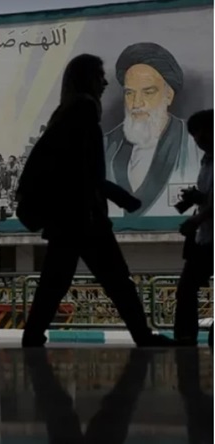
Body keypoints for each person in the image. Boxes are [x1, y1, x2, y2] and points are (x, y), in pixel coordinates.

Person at [16, 54, 174, 348]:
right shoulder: (84, 109)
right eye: (99, 76)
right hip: (82, 215)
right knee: (116, 280)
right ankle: (142, 336)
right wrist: (118, 196)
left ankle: (33, 334)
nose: (104, 83)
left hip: (67, 216)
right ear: (86, 78)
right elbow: (84, 170)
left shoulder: (65, 111)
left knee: (56, 281)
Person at [104, 43, 201, 217]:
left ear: (168, 95)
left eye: (148, 92)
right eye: (129, 93)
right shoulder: (104, 146)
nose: (136, 103)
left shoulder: (197, 144)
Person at [173, 109, 213, 346]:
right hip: (205, 239)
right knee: (186, 289)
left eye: (202, 132)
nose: (198, 139)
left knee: (187, 288)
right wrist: (197, 197)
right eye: (195, 134)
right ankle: (185, 338)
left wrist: (196, 220)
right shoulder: (206, 162)